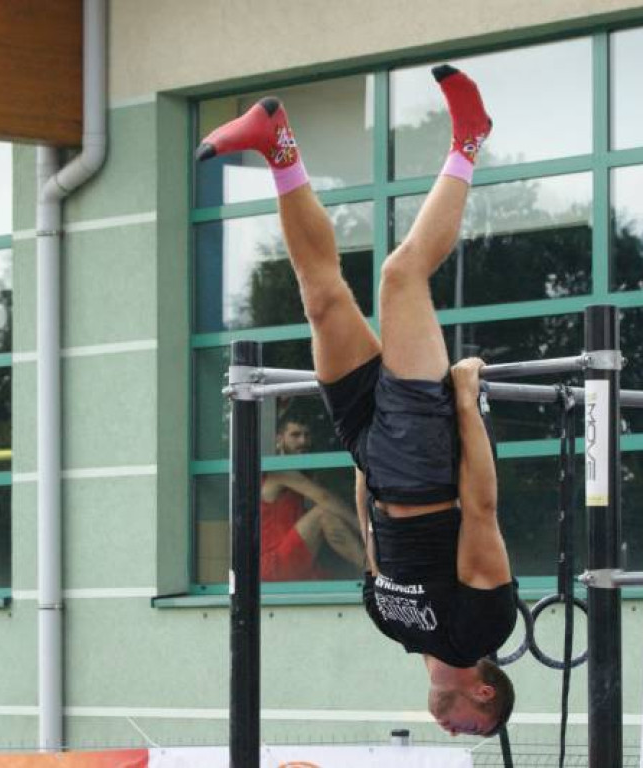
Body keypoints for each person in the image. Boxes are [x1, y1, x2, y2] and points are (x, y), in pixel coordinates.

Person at [198, 64, 516, 737]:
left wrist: (362, 463)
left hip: (373, 453)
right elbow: (483, 511)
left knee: (322, 299)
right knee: (401, 276)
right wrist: (463, 401)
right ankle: (469, 141)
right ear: (484, 694)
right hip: (423, 463)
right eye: (467, 729)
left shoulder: (392, 628)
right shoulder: (480, 628)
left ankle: (277, 145)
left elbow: (373, 543)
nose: (451, 730)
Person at [261, 412, 365, 581]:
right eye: (295, 435)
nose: (303, 441)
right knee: (323, 513)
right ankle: (371, 569)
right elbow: (324, 498)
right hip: (274, 565)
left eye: (306, 435)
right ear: (279, 439)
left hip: (297, 560)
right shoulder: (280, 470)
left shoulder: (302, 473)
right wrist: (362, 527)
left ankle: (370, 570)